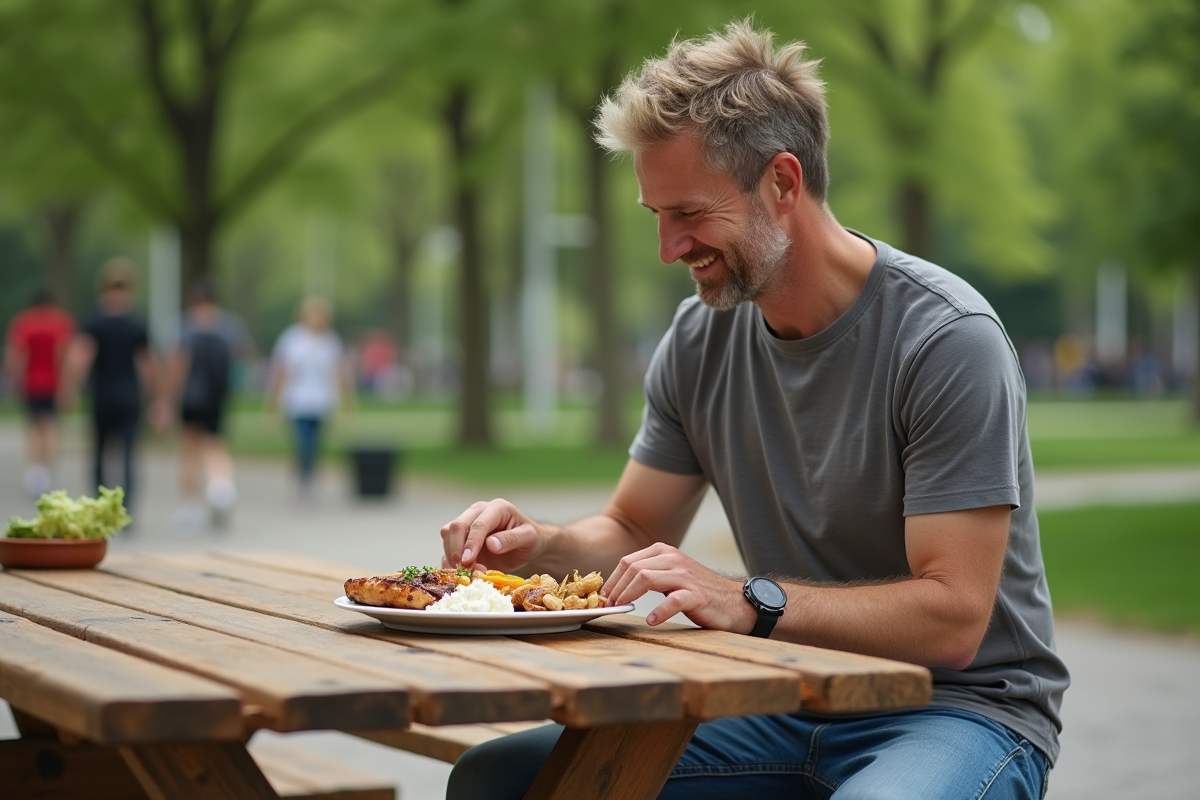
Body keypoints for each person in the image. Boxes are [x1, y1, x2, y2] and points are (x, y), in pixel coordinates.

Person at [440, 21, 1068, 800]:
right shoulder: (700, 337)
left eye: (690, 213)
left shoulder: (945, 340)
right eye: (656, 216)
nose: (670, 247)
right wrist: (538, 546)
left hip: (954, 711)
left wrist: (747, 600)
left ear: (782, 181)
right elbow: (635, 529)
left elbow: (953, 619)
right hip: (775, 695)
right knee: (502, 780)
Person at [155, 277, 251, 531]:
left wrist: (166, 400)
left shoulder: (184, 326)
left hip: (191, 397)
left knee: (188, 451)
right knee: (215, 444)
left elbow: (178, 364)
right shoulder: (230, 325)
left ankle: (190, 508)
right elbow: (240, 356)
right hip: (217, 396)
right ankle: (221, 489)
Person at [60, 260, 155, 511]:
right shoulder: (137, 322)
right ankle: (126, 506)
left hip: (102, 394)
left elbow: (82, 356)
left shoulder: (94, 320)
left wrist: (69, 386)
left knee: (100, 450)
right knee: (127, 453)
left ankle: (101, 503)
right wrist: (155, 398)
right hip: (129, 395)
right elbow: (146, 364)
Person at [266, 297, 354, 501]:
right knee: (303, 443)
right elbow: (281, 371)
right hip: (297, 401)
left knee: (314, 445)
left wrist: (347, 402)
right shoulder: (291, 339)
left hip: (321, 402)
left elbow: (339, 372)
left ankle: (308, 477)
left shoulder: (330, 341)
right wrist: (273, 401)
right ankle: (303, 481)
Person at [5, 289, 76, 497]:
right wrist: (68, 385)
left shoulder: (24, 322)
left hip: (31, 383)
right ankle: (45, 471)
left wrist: (10, 381)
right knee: (50, 427)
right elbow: (65, 355)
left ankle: (34, 472)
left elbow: (17, 354)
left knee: (33, 427)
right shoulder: (60, 322)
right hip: (53, 383)